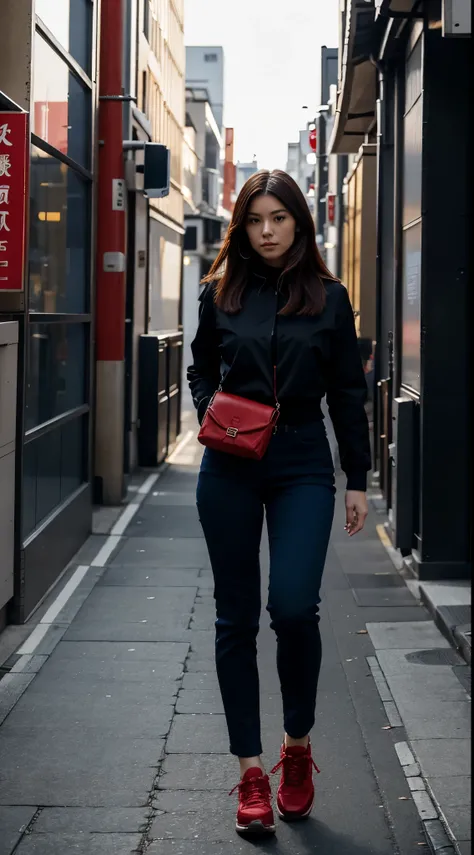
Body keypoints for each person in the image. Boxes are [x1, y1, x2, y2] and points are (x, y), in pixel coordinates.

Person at [187, 170, 371, 836]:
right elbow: (199, 368)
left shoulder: (328, 298)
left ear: (300, 223)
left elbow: (349, 391)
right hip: (229, 463)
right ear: (243, 225)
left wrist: (358, 476)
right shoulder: (220, 294)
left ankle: (297, 746)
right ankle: (251, 770)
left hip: (299, 459)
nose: (266, 231)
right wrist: (215, 408)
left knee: (294, 605)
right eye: (256, 220)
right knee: (235, 615)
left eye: (279, 219)